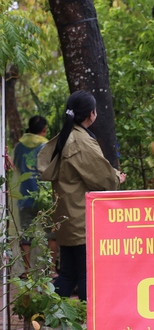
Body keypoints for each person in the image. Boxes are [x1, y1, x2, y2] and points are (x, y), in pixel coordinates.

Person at [37, 90, 126, 300]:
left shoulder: (67, 136)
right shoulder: (80, 141)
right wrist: (116, 178)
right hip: (82, 220)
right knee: (87, 276)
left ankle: (42, 319)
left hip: (67, 218)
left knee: (69, 274)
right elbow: (101, 178)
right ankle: (87, 324)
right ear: (91, 114)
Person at [12, 116, 58, 276]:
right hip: (43, 197)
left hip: (25, 196)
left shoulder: (19, 147)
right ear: (44, 129)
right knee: (51, 234)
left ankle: (26, 271)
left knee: (26, 234)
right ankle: (51, 270)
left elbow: (16, 166)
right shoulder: (46, 146)